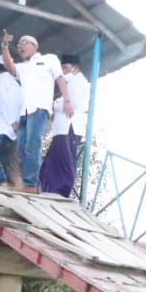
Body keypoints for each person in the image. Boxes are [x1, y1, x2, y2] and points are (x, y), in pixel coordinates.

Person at [0, 30, 72, 192]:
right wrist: (5, 46)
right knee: (21, 148)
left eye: (24, 43)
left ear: (34, 45)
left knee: (32, 145)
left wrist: (67, 100)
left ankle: (31, 184)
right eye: (18, 46)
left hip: (39, 108)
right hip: (24, 112)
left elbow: (60, 79)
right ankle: (31, 182)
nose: (20, 47)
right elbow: (9, 66)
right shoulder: (23, 67)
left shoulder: (49, 59)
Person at [40, 54, 90, 198]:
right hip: (61, 127)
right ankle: (48, 186)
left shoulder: (80, 82)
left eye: (65, 68)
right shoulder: (69, 83)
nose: (64, 71)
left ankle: (61, 189)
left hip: (70, 126)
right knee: (53, 159)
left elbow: (72, 103)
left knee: (65, 159)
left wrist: (56, 105)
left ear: (74, 68)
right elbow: (62, 101)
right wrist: (59, 104)